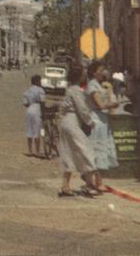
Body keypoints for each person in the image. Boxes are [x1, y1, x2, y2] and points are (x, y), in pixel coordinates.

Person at [56, 66, 99, 197]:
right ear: (79, 76)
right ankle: (89, 184)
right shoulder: (76, 91)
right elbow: (82, 109)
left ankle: (65, 186)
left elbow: (62, 108)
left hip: (66, 122)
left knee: (68, 153)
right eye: (83, 74)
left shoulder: (69, 90)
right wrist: (90, 122)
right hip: (73, 122)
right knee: (87, 150)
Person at [85, 63, 119, 190]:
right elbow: (101, 105)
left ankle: (98, 181)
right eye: (101, 70)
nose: (103, 72)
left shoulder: (100, 85)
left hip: (103, 120)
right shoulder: (92, 86)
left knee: (100, 151)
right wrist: (115, 104)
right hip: (96, 120)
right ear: (94, 73)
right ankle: (93, 181)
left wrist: (110, 92)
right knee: (96, 151)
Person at [22, 75, 46, 157]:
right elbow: (42, 102)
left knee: (29, 129)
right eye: (40, 81)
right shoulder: (40, 90)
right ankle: (37, 151)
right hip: (37, 109)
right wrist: (44, 113)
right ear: (37, 81)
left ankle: (30, 150)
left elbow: (25, 103)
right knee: (37, 130)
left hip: (29, 109)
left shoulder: (27, 91)